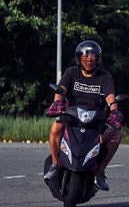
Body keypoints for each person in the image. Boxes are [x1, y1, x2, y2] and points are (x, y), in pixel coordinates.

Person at [43, 40, 123, 191]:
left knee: (116, 135)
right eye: (86, 57)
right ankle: (54, 165)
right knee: (56, 126)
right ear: (79, 58)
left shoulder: (104, 76)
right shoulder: (72, 72)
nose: (89, 60)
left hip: (96, 120)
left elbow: (110, 97)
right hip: (72, 117)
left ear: (98, 59)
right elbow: (61, 90)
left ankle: (99, 171)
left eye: (93, 57)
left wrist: (114, 110)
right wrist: (57, 103)